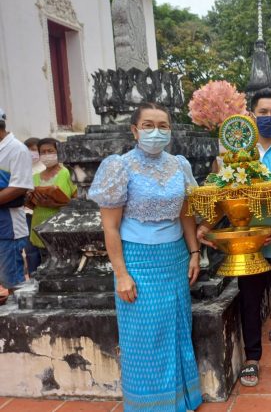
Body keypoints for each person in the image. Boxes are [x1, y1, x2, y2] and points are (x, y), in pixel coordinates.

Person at [88, 103, 202, 411]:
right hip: (137, 259)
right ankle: (150, 406)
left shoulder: (180, 165)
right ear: (135, 130)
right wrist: (122, 274)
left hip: (175, 257)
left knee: (177, 328)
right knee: (144, 337)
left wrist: (194, 252)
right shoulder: (119, 167)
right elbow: (110, 228)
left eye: (163, 126)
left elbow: (186, 213)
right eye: (149, 125)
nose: (156, 131)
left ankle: (180, 400)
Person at [198, 89, 271, 388]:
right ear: (252, 114)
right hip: (245, 244)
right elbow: (222, 195)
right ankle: (252, 358)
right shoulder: (235, 154)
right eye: (264, 112)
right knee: (249, 302)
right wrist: (205, 224)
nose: (270, 118)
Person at [0, 109, 33, 305]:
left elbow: (20, 186)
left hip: (8, 227)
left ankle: (21, 320)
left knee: (12, 278)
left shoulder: (16, 149)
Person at [28, 138, 77, 263]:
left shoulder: (68, 174)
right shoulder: (34, 177)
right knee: (44, 264)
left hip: (61, 228)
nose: (46, 155)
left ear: (58, 152)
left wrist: (54, 204)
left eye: (50, 151)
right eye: (42, 152)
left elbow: (79, 202)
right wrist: (27, 199)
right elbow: (33, 206)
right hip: (39, 226)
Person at [23, 137, 45, 274]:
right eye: (29, 149)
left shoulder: (46, 169)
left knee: (44, 249)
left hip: (42, 213)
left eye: (34, 150)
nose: (32, 153)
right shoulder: (22, 168)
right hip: (26, 214)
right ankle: (33, 276)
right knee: (30, 250)